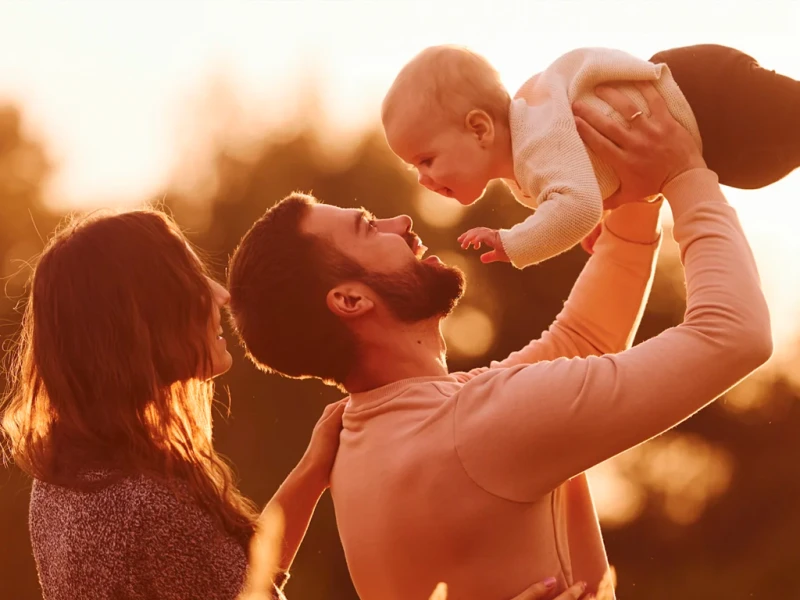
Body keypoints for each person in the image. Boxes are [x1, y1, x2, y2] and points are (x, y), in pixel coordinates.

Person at [226, 82, 772, 600]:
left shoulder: (383, 440)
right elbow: (734, 334)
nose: (401, 223)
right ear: (350, 301)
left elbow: (583, 339)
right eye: (369, 228)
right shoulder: (475, 427)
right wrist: (684, 175)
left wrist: (625, 185)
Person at [0, 209, 343, 600]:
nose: (221, 293)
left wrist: (314, 470)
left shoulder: (63, 481)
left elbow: (232, 579)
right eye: (192, 282)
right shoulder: (151, 506)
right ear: (145, 317)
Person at [380, 43, 800, 268]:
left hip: (707, 95)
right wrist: (601, 209)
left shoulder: (535, 142)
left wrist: (513, 242)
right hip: (712, 139)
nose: (422, 178)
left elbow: (575, 207)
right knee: (767, 161)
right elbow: (583, 184)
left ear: (479, 128)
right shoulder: (528, 161)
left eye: (426, 159)